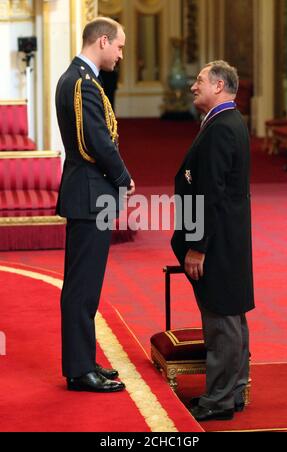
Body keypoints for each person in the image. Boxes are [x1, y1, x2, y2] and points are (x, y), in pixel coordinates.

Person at [171, 60, 255, 421]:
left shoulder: (221, 127)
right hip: (228, 236)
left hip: (216, 240)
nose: (193, 86)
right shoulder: (228, 121)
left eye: (200, 80)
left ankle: (218, 400)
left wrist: (197, 245)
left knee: (221, 319)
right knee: (231, 313)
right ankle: (234, 390)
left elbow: (210, 193)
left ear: (219, 86)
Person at [55, 17, 135, 393]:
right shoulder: (80, 83)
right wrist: (123, 176)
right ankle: (78, 370)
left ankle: (84, 361)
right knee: (81, 288)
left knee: (86, 287)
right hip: (90, 195)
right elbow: (95, 141)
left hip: (91, 194)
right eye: (118, 46)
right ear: (102, 41)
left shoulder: (83, 79)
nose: (120, 54)